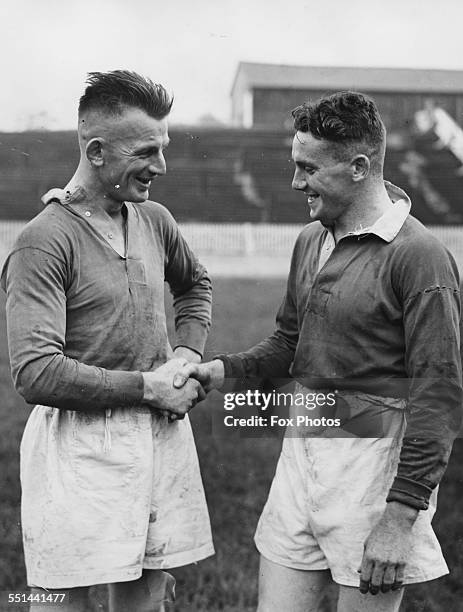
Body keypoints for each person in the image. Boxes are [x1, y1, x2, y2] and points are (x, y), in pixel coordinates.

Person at [172, 91, 462, 611]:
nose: (295, 182)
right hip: (301, 451)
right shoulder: (310, 239)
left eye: (308, 168)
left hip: (372, 475)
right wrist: (223, 370)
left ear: (358, 167)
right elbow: (289, 342)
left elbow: (438, 396)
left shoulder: (421, 258)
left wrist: (399, 518)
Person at [1, 70, 214, 612]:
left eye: (163, 149)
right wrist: (149, 387)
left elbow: (194, 285)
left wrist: (185, 357)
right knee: (57, 601)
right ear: (96, 152)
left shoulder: (154, 219)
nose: (161, 167)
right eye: (145, 151)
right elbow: (36, 372)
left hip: (157, 434)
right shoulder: (43, 242)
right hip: (76, 445)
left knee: (145, 597)